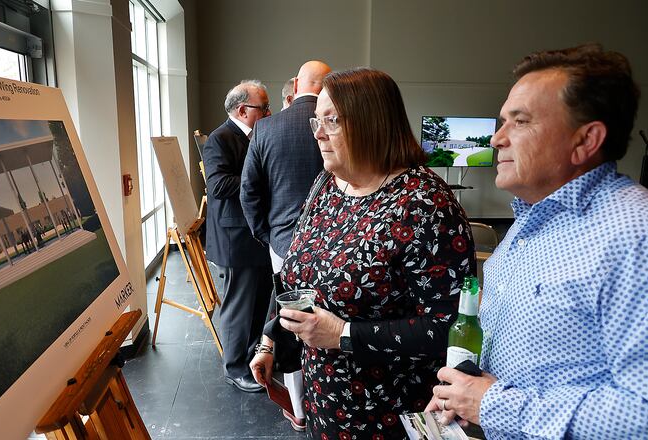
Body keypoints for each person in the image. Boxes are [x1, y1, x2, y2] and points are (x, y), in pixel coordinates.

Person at [426, 44, 648, 439]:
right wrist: (467, 396)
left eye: (520, 122)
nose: (497, 138)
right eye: (503, 121)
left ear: (585, 141)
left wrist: (494, 405)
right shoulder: (527, 221)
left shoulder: (643, 237)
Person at [250, 67, 475, 439]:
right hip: (326, 403)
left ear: (371, 123)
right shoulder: (328, 184)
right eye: (316, 121)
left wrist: (343, 334)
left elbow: (446, 328)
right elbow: (303, 279)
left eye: (332, 121)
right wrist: (271, 339)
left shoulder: (426, 205)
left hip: (390, 414)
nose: (319, 134)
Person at [241, 60, 331, 431]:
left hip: (283, 245)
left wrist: (268, 235)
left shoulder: (265, 127)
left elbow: (249, 193)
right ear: (327, 87)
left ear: (295, 84)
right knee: (328, 322)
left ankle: (297, 407)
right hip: (335, 247)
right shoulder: (338, 125)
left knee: (291, 325)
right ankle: (326, 397)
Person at [202, 80, 273, 393]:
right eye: (264, 107)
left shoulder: (255, 135)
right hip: (235, 239)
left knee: (258, 304)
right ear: (243, 110)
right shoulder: (219, 139)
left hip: (255, 235)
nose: (269, 112)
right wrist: (258, 178)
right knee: (237, 308)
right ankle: (234, 369)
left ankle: (251, 359)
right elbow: (218, 186)